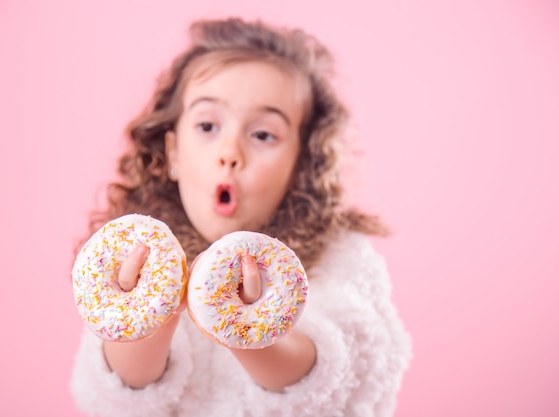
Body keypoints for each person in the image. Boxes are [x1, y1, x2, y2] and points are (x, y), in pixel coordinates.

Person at [70, 17, 412, 417]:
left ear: (301, 163)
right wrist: (147, 315)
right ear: (175, 152)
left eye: (263, 134)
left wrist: (245, 325)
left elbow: (349, 377)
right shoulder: (139, 262)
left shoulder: (340, 257)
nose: (230, 151)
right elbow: (113, 397)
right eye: (208, 125)